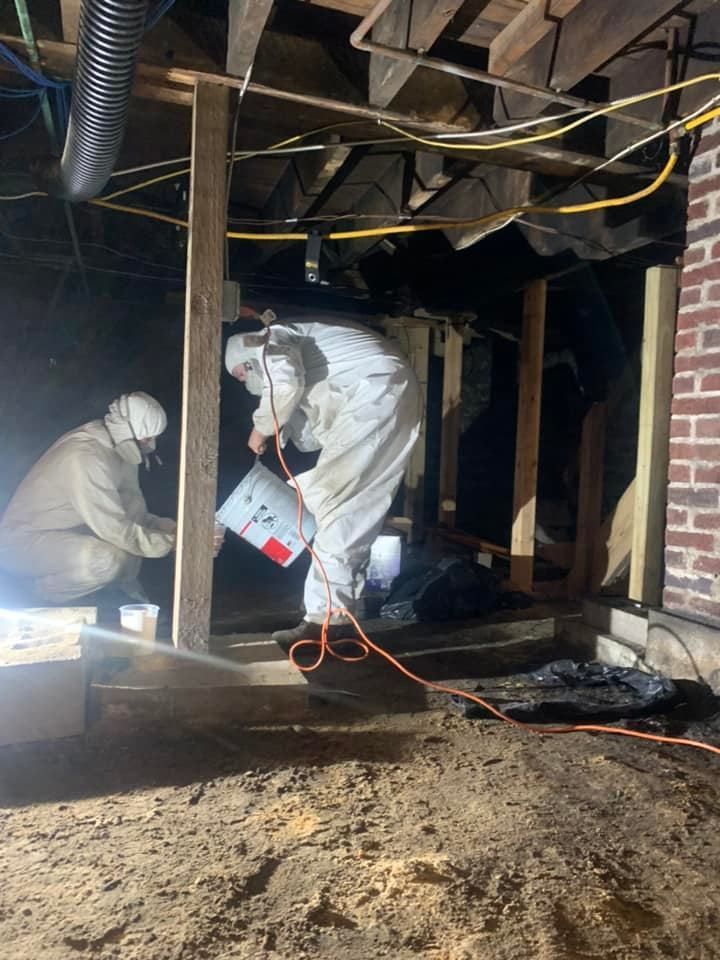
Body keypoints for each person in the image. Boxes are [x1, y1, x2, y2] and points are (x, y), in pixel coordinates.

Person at [225, 310, 423, 644]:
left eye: (241, 375)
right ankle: (338, 615)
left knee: (336, 507)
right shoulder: (301, 341)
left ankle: (324, 622)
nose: (245, 382)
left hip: (373, 397)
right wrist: (282, 429)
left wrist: (260, 430)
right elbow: (310, 413)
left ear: (246, 359)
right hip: (386, 395)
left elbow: (285, 385)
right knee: (353, 512)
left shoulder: (267, 341)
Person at [0, 392, 176, 605]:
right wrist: (171, 544)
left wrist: (175, 531)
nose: (151, 445)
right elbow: (113, 528)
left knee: (126, 546)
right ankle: (36, 597)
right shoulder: (85, 457)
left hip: (68, 534)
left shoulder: (121, 452)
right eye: (147, 438)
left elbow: (135, 515)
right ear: (129, 430)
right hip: (23, 542)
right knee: (105, 560)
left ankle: (116, 597)